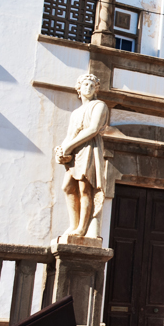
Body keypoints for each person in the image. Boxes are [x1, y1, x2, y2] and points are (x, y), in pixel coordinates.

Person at [55, 73, 109, 238]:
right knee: (68, 187)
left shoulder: (99, 106)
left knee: (85, 188)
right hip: (76, 151)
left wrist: (69, 146)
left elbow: (93, 129)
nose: (89, 88)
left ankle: (82, 228)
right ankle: (74, 224)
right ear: (79, 88)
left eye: (92, 86)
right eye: (86, 85)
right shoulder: (76, 113)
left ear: (96, 89)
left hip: (89, 148)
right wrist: (61, 150)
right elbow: (70, 134)